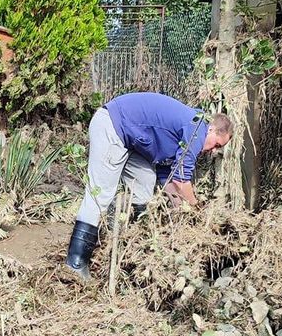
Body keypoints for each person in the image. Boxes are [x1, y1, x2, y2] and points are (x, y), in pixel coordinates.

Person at [66, 92, 233, 279]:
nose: (214, 150)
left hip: (132, 139)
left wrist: (183, 212)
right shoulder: (197, 128)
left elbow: (169, 177)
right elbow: (181, 179)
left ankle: (126, 243)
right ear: (211, 130)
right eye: (217, 144)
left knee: (144, 184)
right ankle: (76, 262)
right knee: (100, 192)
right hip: (113, 125)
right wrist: (196, 211)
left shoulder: (191, 127)